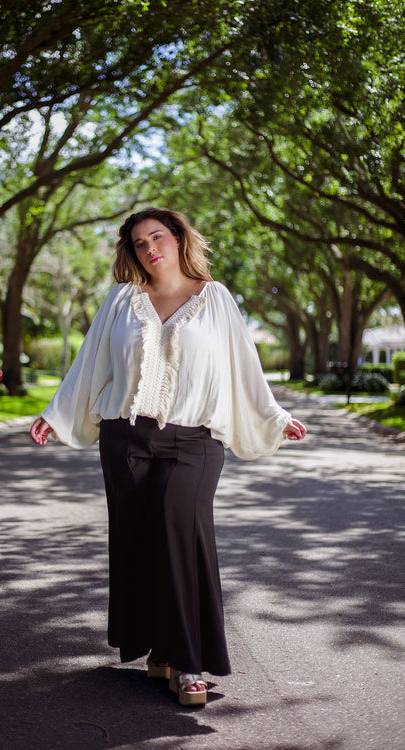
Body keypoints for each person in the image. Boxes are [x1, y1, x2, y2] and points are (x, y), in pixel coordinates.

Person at [30, 207, 307, 707]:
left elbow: (244, 364)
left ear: (178, 238)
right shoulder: (121, 301)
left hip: (195, 440)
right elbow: (89, 363)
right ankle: (159, 648)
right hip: (125, 439)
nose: (149, 247)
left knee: (182, 533)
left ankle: (188, 662)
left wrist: (273, 415)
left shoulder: (215, 298)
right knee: (139, 541)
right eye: (138, 242)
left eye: (157, 236)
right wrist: (57, 412)